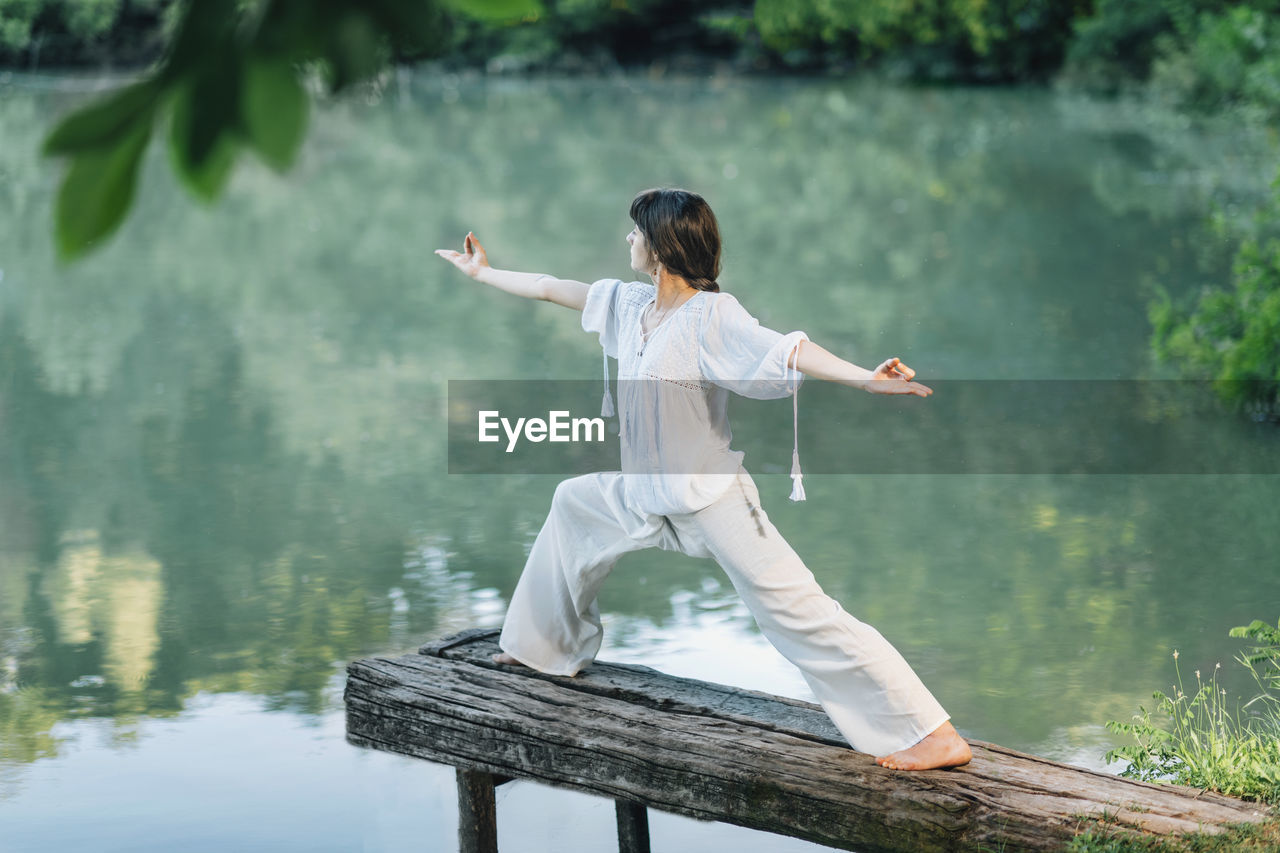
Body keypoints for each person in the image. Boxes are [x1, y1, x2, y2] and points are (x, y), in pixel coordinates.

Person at [434, 188, 971, 772]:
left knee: (798, 612)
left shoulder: (711, 316)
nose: (628, 240)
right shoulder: (630, 306)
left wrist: (865, 379)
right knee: (574, 502)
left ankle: (931, 734)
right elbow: (547, 285)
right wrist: (483, 274)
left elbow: (789, 350)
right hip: (645, 497)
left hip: (712, 499)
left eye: (636, 232)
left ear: (662, 246)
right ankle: (542, 649)